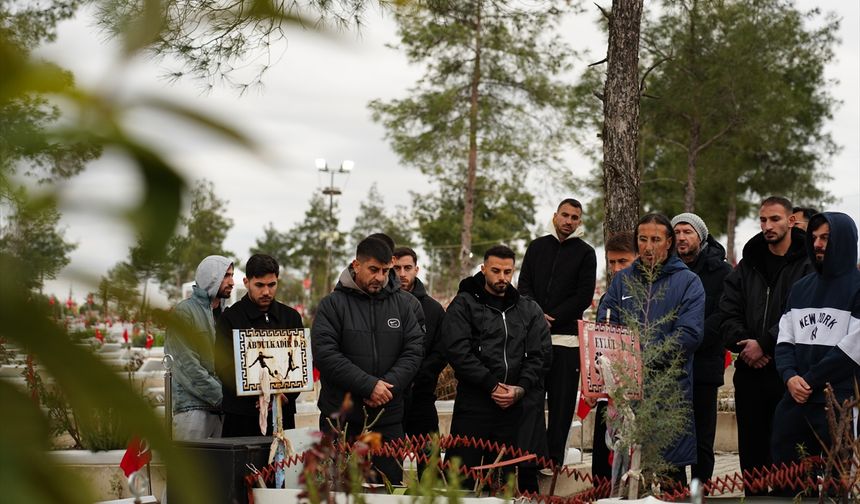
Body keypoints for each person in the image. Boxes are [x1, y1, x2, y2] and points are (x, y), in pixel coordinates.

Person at [598, 214, 704, 485]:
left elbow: (689, 335)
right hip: (627, 393)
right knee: (626, 476)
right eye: (642, 239)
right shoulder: (622, 282)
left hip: (668, 392)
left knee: (669, 476)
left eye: (655, 240)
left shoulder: (688, 282)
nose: (647, 247)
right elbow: (606, 322)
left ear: (668, 243)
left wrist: (642, 357)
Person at [311, 237, 424, 484]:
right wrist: (369, 385)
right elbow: (325, 354)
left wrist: (387, 385)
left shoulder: (403, 306)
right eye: (373, 270)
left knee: (389, 491)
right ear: (356, 265)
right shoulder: (332, 305)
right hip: (342, 421)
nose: (380, 277)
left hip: (388, 419)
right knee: (339, 492)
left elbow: (414, 350)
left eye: (385, 271)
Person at [720, 196, 813, 495]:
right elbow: (727, 311)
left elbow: (802, 315)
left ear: (791, 221)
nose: (767, 226)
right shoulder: (748, 264)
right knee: (753, 458)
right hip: (750, 373)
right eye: (763, 220)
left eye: (774, 219)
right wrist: (746, 346)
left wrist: (765, 344)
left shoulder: (808, 265)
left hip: (790, 374)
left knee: (790, 456)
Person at [442, 245, 549, 487]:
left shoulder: (527, 309)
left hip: (512, 406)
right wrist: (490, 385)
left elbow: (539, 354)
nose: (502, 277)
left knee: (505, 479)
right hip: (474, 403)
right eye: (496, 271)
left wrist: (519, 389)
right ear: (483, 269)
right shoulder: (464, 304)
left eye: (508, 272)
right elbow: (458, 351)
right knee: (462, 478)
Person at [772, 212, 860, 467]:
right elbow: (784, 340)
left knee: (838, 479)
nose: (818, 244)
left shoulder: (857, 288)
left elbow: (852, 350)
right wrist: (789, 376)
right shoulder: (801, 288)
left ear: (844, 240)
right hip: (796, 397)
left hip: (838, 400)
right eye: (814, 238)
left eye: (826, 238)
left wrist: (808, 381)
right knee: (786, 473)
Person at [518, 198, 597, 468]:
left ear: (579, 222)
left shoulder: (586, 253)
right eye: (565, 215)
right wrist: (538, 315)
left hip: (567, 342)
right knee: (532, 403)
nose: (569, 221)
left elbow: (584, 296)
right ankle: (532, 459)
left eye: (575, 217)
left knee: (562, 407)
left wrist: (556, 316)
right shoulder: (537, 247)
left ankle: (553, 461)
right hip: (535, 342)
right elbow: (524, 285)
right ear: (555, 216)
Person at [671, 213, 732, 485]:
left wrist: (689, 339)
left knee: (702, 434)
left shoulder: (722, 271)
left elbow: (723, 314)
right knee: (671, 431)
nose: (682, 237)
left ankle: (701, 489)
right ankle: (674, 490)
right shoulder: (667, 268)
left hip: (704, 362)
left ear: (701, 236)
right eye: (677, 232)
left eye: (688, 232)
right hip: (670, 363)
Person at [215, 254, 303, 437]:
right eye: (259, 285)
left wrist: (285, 394)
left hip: (282, 414)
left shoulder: (291, 317)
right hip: (242, 417)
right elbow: (223, 366)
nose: (266, 292)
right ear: (247, 282)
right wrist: (258, 394)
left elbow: (300, 365)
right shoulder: (230, 318)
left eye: (271, 285)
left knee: (282, 465)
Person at [165, 255, 234, 440]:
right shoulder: (184, 313)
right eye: (226, 276)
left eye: (232, 275)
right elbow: (187, 366)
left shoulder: (228, 315)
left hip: (223, 413)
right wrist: (225, 398)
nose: (232, 282)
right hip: (192, 411)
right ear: (212, 277)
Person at [590, 231, 637, 484]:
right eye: (612, 262)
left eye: (623, 262)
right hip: (610, 389)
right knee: (605, 453)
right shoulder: (609, 297)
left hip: (638, 390)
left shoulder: (649, 296)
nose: (617, 268)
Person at [392, 247, 446, 438]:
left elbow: (442, 351)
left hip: (422, 397)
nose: (402, 274)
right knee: (388, 460)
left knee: (429, 462)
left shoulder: (433, 309)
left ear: (417, 269)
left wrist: (417, 377)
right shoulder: (379, 306)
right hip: (389, 398)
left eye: (407, 268)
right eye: (397, 268)